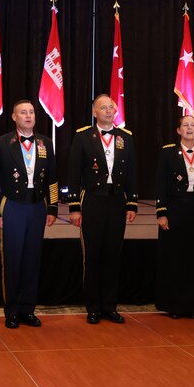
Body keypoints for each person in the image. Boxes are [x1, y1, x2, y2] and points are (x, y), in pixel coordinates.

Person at [0, 100, 58, 329]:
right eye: (23, 112)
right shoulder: (1, 143)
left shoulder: (45, 142)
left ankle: (28, 309)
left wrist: (52, 207)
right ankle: (12, 310)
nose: (28, 116)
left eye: (31, 112)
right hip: (12, 207)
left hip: (37, 207)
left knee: (32, 260)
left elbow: (52, 177)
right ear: (14, 117)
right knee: (13, 259)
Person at [66, 94, 138, 324]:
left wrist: (132, 203)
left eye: (111, 107)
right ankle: (93, 307)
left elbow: (132, 172)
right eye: (103, 108)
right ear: (94, 112)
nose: (108, 111)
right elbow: (73, 173)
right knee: (93, 255)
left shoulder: (126, 137)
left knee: (112, 255)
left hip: (116, 201)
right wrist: (74, 206)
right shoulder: (83, 136)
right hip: (92, 201)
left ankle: (109, 306)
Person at [155, 115, 194, 319]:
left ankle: (193, 305)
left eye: (193, 125)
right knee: (175, 258)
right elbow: (160, 183)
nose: (189, 128)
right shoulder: (168, 153)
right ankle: (174, 305)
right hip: (175, 209)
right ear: (178, 130)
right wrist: (162, 212)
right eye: (185, 125)